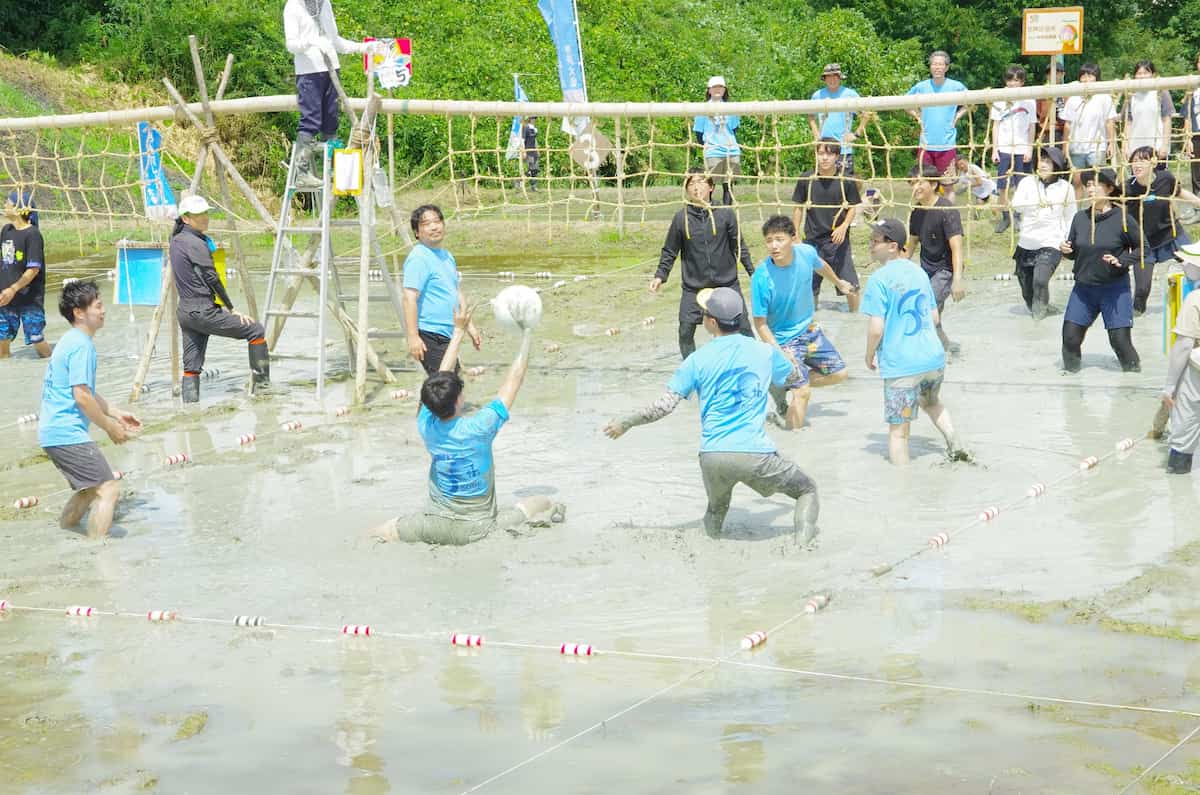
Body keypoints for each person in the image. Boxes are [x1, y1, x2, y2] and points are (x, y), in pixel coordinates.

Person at [603, 287, 820, 543]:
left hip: (712, 456)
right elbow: (794, 379)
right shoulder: (764, 352)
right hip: (756, 454)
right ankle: (800, 550)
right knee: (807, 490)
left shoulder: (697, 359)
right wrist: (791, 360)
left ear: (711, 322)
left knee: (716, 511)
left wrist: (625, 423)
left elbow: (662, 407)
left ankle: (709, 565)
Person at [371, 306, 564, 545]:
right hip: (478, 529)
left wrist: (458, 331)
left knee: (379, 533)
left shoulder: (425, 423)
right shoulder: (480, 427)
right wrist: (527, 334)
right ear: (458, 401)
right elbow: (514, 380)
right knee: (541, 503)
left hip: (430, 525)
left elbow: (439, 376)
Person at [38, 280, 141, 538]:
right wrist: (110, 429)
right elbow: (82, 397)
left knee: (88, 490)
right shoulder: (82, 345)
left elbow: (86, 391)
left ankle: (67, 533)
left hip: (53, 432)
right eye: (98, 305)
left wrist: (115, 412)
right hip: (66, 433)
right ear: (79, 312)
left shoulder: (70, 340)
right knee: (108, 489)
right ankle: (98, 551)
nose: (103, 310)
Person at [861, 218, 967, 465]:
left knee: (899, 432)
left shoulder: (878, 280)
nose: (870, 246)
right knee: (931, 402)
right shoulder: (918, 272)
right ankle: (955, 443)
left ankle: (903, 490)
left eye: (875, 241)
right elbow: (934, 316)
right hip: (933, 360)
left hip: (901, 366)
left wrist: (868, 355)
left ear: (893, 246)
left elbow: (876, 329)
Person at [751, 215, 852, 430]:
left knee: (840, 374)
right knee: (803, 391)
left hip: (809, 330)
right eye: (769, 241)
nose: (774, 246)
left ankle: (781, 385)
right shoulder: (761, 277)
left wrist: (839, 283)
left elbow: (821, 265)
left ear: (793, 238)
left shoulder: (806, 253)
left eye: (779, 239)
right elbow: (760, 323)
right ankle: (792, 439)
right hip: (783, 340)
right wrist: (780, 353)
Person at [170, 195, 269, 402]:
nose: (205, 218)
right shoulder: (196, 243)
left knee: (192, 367)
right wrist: (231, 308)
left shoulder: (176, 240)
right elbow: (212, 278)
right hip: (203, 311)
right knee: (255, 329)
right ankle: (263, 392)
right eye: (199, 215)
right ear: (186, 218)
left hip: (185, 313)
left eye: (206, 213)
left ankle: (190, 414)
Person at [651, 169, 755, 359]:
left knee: (744, 328)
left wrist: (752, 273)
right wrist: (660, 275)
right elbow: (670, 250)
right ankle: (692, 369)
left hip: (726, 284)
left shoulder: (725, 214)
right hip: (694, 288)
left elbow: (739, 246)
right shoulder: (680, 218)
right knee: (685, 331)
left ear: (711, 187)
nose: (696, 187)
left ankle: (754, 363)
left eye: (700, 182)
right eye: (691, 183)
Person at [283, 0, 374, 189]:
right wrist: (311, 42)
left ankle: (335, 170)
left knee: (331, 120)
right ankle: (302, 171)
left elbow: (335, 40)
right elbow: (291, 45)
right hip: (309, 72)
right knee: (311, 120)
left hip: (332, 69)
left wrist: (361, 47)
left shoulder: (325, 4)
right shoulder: (293, 6)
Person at [1059, 168, 1143, 372]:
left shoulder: (1122, 218)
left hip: (1114, 289)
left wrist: (1121, 260)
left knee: (1120, 344)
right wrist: (1066, 251)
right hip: (1083, 289)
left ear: (1109, 188)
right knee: (1069, 339)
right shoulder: (1080, 218)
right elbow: (1073, 251)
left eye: (1095, 184)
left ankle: (1133, 383)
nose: (1090, 189)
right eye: (1087, 185)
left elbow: (1144, 248)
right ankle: (1071, 388)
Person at [403, 204, 482, 374]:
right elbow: (409, 298)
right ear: (417, 232)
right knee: (445, 388)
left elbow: (455, 291)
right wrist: (413, 337)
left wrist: (470, 326)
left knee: (446, 389)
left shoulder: (447, 256)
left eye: (437, 221)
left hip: (448, 333)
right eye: (426, 224)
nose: (434, 226)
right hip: (429, 334)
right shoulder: (418, 257)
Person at [1126, 146, 1200, 315]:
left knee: (1196, 270)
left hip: (1172, 235)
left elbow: (1181, 193)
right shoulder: (1127, 188)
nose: (1136, 164)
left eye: (1141, 160)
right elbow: (1114, 210)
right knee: (1142, 290)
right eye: (1134, 161)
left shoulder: (1165, 179)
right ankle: (1135, 319)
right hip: (1144, 244)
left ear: (1153, 162)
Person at [792, 138, 863, 312]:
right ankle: (812, 319)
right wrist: (795, 235)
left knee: (850, 286)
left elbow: (853, 206)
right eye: (821, 153)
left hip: (838, 240)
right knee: (810, 287)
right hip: (812, 241)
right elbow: (798, 208)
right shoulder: (807, 179)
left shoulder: (845, 179)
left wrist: (844, 225)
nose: (824, 158)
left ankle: (856, 319)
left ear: (837, 156)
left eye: (829, 154)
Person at [1009, 146, 1076, 320]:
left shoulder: (1066, 188)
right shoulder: (1027, 182)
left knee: (1040, 281)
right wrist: (1037, 202)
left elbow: (1070, 217)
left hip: (1051, 243)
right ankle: (1047, 313)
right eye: (1041, 160)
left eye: (1048, 161)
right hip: (1026, 243)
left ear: (1057, 165)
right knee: (1028, 296)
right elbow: (1016, 205)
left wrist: (1067, 241)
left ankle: (1038, 326)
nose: (1043, 165)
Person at [906, 165, 965, 353]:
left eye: (919, 183)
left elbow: (957, 248)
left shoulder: (947, 209)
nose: (915, 187)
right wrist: (893, 266)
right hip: (926, 269)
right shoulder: (917, 212)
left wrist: (957, 281)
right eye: (912, 183)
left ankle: (936, 352)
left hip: (945, 270)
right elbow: (911, 245)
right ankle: (946, 348)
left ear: (932, 184)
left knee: (925, 310)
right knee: (927, 313)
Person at [906, 50, 968, 199]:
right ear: (930, 66)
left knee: (948, 186)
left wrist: (957, 116)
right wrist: (918, 117)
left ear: (946, 67)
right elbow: (905, 103)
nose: (937, 67)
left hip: (946, 145)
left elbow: (971, 103)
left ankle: (948, 217)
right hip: (926, 144)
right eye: (934, 64)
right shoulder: (921, 86)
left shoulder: (956, 86)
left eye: (940, 64)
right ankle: (927, 216)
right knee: (923, 184)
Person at [1161, 242, 1200, 474]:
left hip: (1197, 373)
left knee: (1182, 436)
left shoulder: (1195, 299)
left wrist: (1170, 387)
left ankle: (1178, 492)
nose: (1183, 266)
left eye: (1187, 262)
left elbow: (1183, 346)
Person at [0, 191, 50, 359]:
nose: (5, 205)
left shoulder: (33, 235)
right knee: (2, 337)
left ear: (19, 209)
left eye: (8, 202)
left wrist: (13, 289)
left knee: (35, 336)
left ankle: (50, 364)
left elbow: (33, 270)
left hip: (29, 297)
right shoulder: (6, 230)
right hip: (5, 297)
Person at [989, 65, 1036, 233]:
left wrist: (1029, 149)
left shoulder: (1029, 100)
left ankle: (1017, 216)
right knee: (1002, 185)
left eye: (1016, 80)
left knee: (1021, 185)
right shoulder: (999, 98)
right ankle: (1005, 217)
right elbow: (995, 125)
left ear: (1022, 82)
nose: (1013, 83)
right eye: (1010, 80)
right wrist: (995, 149)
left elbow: (1032, 127)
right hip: (1004, 148)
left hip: (1022, 148)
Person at [1061, 63, 1118, 197]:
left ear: (1096, 78)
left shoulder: (1104, 97)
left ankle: (1099, 211)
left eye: (1090, 76)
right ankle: (1078, 212)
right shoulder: (1073, 98)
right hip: (1076, 147)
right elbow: (1067, 124)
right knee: (1077, 181)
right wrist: (1065, 146)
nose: (1087, 79)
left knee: (1098, 181)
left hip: (1097, 147)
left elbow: (1109, 122)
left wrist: (1111, 143)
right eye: (1084, 76)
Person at [808, 63, 866, 174]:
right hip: (824, 150)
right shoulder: (817, 95)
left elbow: (866, 114)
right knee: (823, 184)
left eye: (835, 76)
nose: (832, 80)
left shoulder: (850, 94)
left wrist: (856, 134)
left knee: (845, 185)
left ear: (840, 78)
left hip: (844, 149)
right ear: (824, 79)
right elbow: (811, 116)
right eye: (829, 77)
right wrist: (816, 135)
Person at [693, 76, 741, 206]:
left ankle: (726, 213)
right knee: (710, 184)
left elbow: (734, 130)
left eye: (720, 87)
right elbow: (698, 133)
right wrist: (708, 146)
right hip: (713, 151)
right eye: (714, 87)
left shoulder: (732, 108)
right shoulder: (702, 108)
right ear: (709, 90)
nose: (717, 90)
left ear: (725, 90)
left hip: (731, 150)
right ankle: (707, 211)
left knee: (728, 185)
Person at [1122, 60, 1174, 166]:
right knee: (1138, 180)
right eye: (1139, 73)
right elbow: (1128, 123)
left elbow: (1167, 121)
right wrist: (1125, 147)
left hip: (1157, 146)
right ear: (1135, 76)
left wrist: (1164, 145)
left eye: (1146, 73)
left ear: (1153, 75)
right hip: (1136, 148)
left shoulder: (1161, 92)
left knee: (1159, 180)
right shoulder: (1131, 95)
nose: (1142, 76)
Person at [952, 154, 999, 218]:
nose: (961, 166)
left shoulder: (972, 168)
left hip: (990, 189)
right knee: (977, 214)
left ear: (966, 161)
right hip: (981, 194)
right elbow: (958, 185)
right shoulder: (962, 176)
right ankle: (980, 216)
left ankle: (997, 218)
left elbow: (979, 182)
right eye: (959, 165)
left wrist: (968, 186)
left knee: (994, 209)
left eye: (962, 163)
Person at [1183, 52, 1200, 223]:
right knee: (1196, 175)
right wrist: (1187, 138)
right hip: (1196, 135)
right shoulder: (1192, 86)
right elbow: (1187, 115)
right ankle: (1198, 210)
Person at [1036, 60, 1067, 149]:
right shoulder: (1041, 93)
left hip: (1063, 133)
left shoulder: (1068, 92)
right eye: (1050, 73)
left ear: (1063, 74)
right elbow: (1038, 115)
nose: (1054, 76)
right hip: (1046, 132)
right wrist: (1039, 133)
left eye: (1057, 73)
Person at [521, 116, 540, 191]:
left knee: (536, 169)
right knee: (531, 170)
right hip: (528, 151)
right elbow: (522, 140)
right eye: (532, 118)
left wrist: (537, 150)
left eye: (535, 118)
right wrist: (524, 151)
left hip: (534, 151)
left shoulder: (535, 129)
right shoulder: (525, 127)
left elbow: (535, 140)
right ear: (529, 119)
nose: (534, 120)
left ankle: (534, 186)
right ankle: (519, 181)